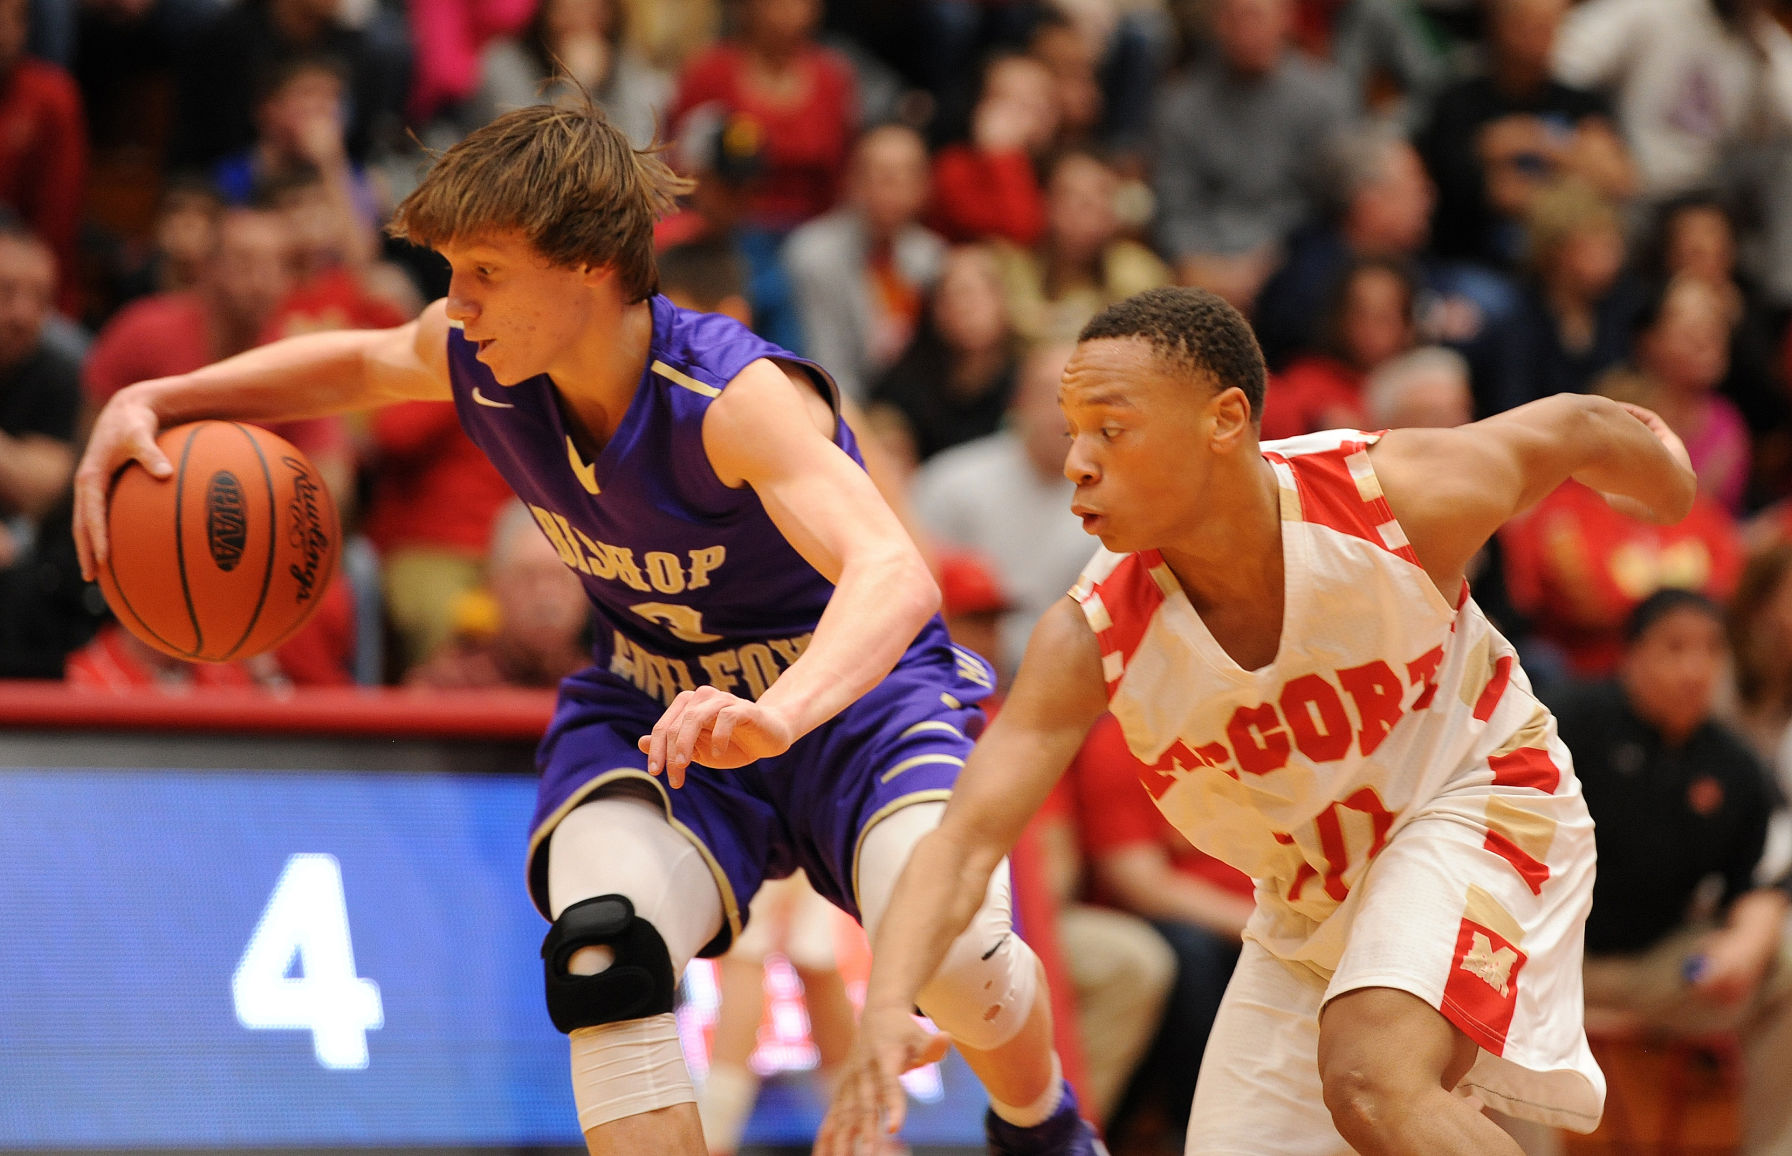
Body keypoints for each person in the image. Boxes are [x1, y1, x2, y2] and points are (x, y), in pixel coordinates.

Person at [72, 101, 1099, 1156]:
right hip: (659, 706)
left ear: (593, 266)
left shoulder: (731, 398)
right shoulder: (481, 360)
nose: (456, 301)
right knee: (604, 952)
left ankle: (1042, 1123)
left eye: (485, 270)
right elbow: (365, 364)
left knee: (956, 963)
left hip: (852, 703)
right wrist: (163, 397)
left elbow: (894, 575)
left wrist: (777, 714)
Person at [819, 285, 1702, 1156]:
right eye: (1071, 429)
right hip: (1310, 903)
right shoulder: (1087, 637)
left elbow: (1577, 425)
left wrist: (1667, 486)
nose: (1076, 461)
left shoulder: (1392, 497)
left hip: (1483, 799)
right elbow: (964, 841)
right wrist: (887, 1006)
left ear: (1225, 419)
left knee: (1373, 1078)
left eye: (1111, 429)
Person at [1553, 589, 1792, 1155]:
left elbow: (1764, 873)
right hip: (1549, 965)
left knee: (1787, 966)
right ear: (1630, 656)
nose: (1695, 667)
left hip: (1665, 969)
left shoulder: (1733, 763)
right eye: (1675, 647)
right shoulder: (1565, 726)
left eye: (1710, 650)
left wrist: (1747, 940)